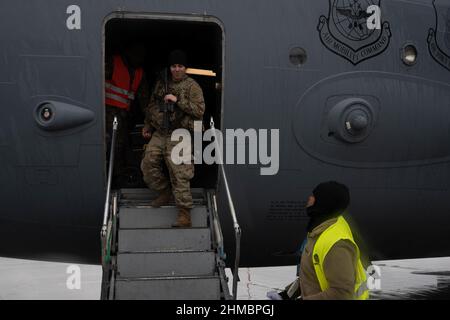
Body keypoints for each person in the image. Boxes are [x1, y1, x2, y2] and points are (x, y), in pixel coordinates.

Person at [268, 181, 369, 300]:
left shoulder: (336, 245)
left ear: (323, 202)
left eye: (314, 196)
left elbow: (341, 294)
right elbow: (310, 276)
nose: (309, 198)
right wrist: (286, 295)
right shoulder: (319, 230)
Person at [141, 50, 205, 228]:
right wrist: (148, 124)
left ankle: (185, 214)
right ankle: (164, 191)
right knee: (148, 164)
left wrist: (177, 100)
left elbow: (199, 110)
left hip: (180, 133)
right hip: (161, 131)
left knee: (180, 172)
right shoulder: (162, 83)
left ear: (185, 68)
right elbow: (152, 104)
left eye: (180, 66)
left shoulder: (192, 86)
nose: (177, 69)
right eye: (174, 66)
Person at [105, 43, 149, 184]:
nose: (138, 59)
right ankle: (108, 178)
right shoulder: (112, 62)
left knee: (120, 146)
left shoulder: (140, 73)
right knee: (108, 146)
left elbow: (145, 101)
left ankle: (118, 177)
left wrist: (150, 121)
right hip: (105, 113)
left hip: (123, 116)